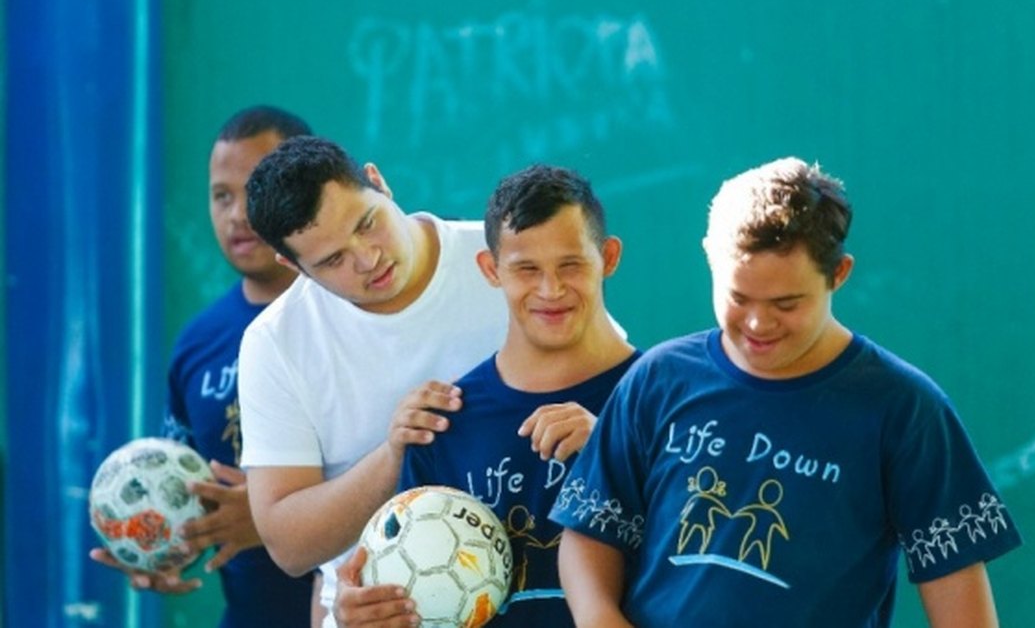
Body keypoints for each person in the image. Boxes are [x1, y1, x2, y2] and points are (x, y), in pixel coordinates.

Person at [550, 157, 1023, 627]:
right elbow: (590, 535)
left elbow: (961, 598)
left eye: (786, 303)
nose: (758, 323)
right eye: (738, 297)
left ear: (838, 274)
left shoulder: (905, 409)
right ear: (709, 260)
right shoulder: (659, 378)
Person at [332, 164, 639, 627]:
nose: (550, 289)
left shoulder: (660, 400)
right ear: (490, 269)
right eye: (526, 269)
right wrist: (372, 615)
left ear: (609, 257)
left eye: (571, 265)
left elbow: (700, 566)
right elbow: (414, 603)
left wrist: (612, 455)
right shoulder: (444, 423)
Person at [238, 135, 510, 627]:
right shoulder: (276, 343)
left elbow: (616, 409)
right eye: (332, 260)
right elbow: (288, 543)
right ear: (291, 265)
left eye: (368, 224)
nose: (367, 260)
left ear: (379, 184)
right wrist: (395, 455)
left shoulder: (505, 262)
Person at [89, 106, 321, 627]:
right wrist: (157, 542)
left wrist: (274, 518)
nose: (238, 214)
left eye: (255, 189)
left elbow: (405, 476)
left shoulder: (355, 316)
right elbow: (185, 486)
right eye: (222, 196)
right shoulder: (199, 342)